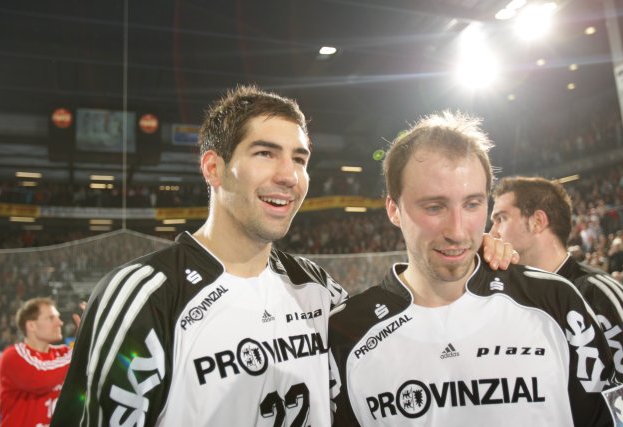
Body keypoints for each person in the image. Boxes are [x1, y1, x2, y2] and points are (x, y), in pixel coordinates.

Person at [51, 87, 516, 427]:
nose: (289, 175)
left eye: (299, 158)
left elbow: (401, 343)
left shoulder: (317, 289)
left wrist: (470, 261)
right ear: (213, 168)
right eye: (265, 153)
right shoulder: (147, 296)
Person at [329, 111, 621, 426]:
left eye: (472, 204)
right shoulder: (347, 331)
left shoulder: (555, 302)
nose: (457, 231)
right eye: (434, 207)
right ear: (393, 210)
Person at [490, 176, 623, 375]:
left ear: (537, 222)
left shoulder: (598, 294)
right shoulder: (507, 302)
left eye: (501, 219)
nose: (492, 232)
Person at [0, 297, 71, 427]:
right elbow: (43, 379)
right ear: (31, 325)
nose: (60, 323)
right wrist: (79, 351)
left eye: (58, 317)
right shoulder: (12, 356)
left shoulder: (64, 354)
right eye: (51, 318)